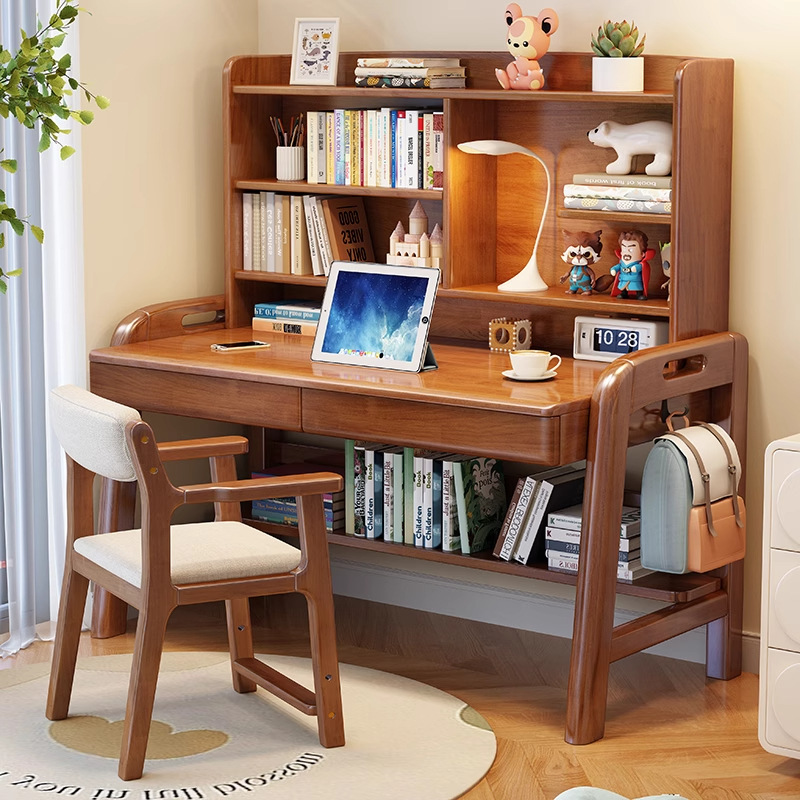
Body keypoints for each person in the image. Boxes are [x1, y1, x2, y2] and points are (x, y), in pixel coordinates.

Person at [609, 229, 654, 300]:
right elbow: (618, 267)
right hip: (623, 279)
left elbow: (640, 267)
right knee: (623, 287)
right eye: (624, 249)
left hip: (635, 280)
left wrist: (635, 268)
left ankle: (639, 294)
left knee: (637, 286)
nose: (627, 253)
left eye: (631, 250)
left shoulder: (639, 264)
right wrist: (614, 269)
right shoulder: (622, 263)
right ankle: (624, 293)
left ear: (642, 254)